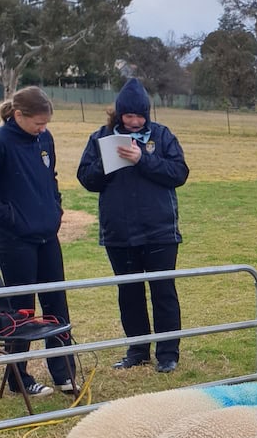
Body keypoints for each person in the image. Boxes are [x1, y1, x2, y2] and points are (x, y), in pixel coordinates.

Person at [0, 86, 77, 398]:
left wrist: (55, 207)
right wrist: (9, 215)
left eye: (45, 124)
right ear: (18, 115)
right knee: (22, 310)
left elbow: (50, 176)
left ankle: (64, 372)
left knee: (56, 302)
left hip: (46, 234)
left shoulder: (45, 139)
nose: (42, 129)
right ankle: (19, 378)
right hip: (13, 239)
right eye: (37, 123)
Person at [77, 78, 190, 373]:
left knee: (163, 292)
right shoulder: (99, 138)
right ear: (119, 114)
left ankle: (168, 353)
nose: (135, 122)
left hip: (160, 232)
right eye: (129, 116)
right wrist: (107, 162)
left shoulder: (162, 136)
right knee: (130, 294)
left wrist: (144, 159)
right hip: (119, 233)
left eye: (140, 116)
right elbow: (86, 178)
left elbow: (178, 173)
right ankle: (137, 350)